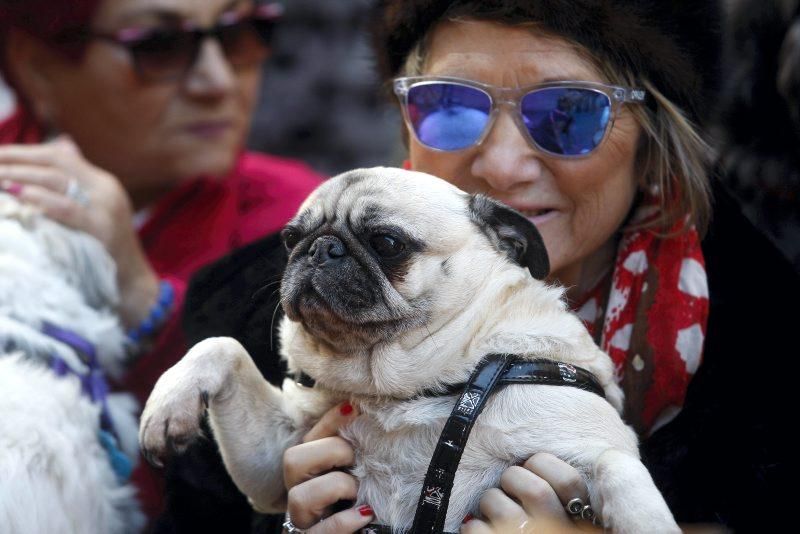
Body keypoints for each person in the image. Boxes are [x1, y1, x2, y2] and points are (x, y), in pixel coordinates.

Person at [177, 0, 799, 532]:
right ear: (404, 119)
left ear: (654, 137)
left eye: (569, 113)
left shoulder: (770, 354)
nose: (501, 166)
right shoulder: (252, 321)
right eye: (450, 105)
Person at [0, 0, 323, 523]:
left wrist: (145, 300)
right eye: (159, 46)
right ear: (36, 65)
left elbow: (274, 481)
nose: (217, 81)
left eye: (241, 32)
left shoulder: (297, 227)